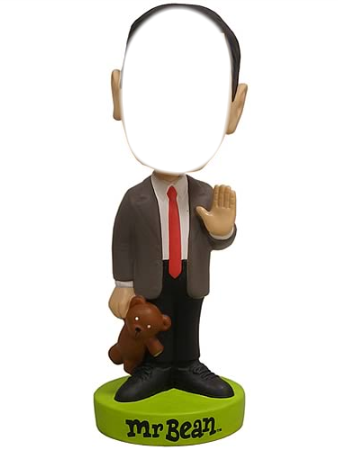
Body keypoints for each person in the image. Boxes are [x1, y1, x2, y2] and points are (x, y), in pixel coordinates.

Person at [108, 4, 248, 402]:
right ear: (120, 97)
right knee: (155, 319)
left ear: (233, 110)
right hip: (149, 277)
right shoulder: (134, 200)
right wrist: (122, 285)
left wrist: (223, 231)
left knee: (188, 319)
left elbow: (217, 236)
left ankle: (187, 364)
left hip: (191, 273)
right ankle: (154, 367)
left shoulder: (204, 194)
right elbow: (122, 242)